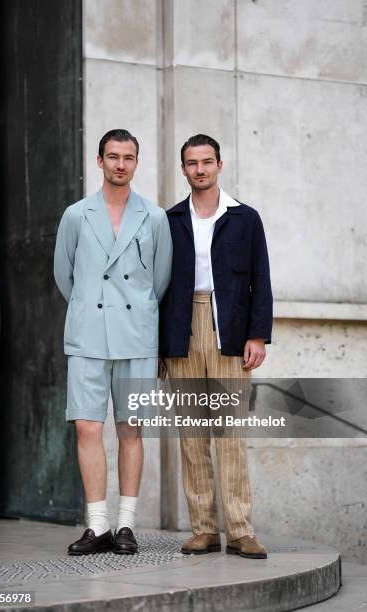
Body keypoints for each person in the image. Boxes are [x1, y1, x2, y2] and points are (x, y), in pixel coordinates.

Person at [54, 129, 172, 555]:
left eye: (128, 157)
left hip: (137, 337)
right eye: (112, 156)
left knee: (130, 428)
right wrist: (90, 308)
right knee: (87, 426)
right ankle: (97, 526)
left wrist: (138, 316)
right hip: (87, 335)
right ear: (99, 161)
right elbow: (64, 276)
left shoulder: (155, 218)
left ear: (137, 163)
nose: (120, 164)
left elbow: (159, 281)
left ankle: (125, 526)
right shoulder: (75, 215)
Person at [159, 134, 273, 558]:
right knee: (192, 434)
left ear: (220, 165)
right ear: (183, 169)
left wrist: (257, 335)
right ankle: (204, 528)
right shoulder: (169, 220)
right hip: (182, 328)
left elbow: (260, 277)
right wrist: (160, 343)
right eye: (192, 163)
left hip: (229, 329)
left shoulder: (245, 218)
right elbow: (160, 285)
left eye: (207, 162)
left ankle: (241, 529)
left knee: (230, 433)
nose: (200, 169)